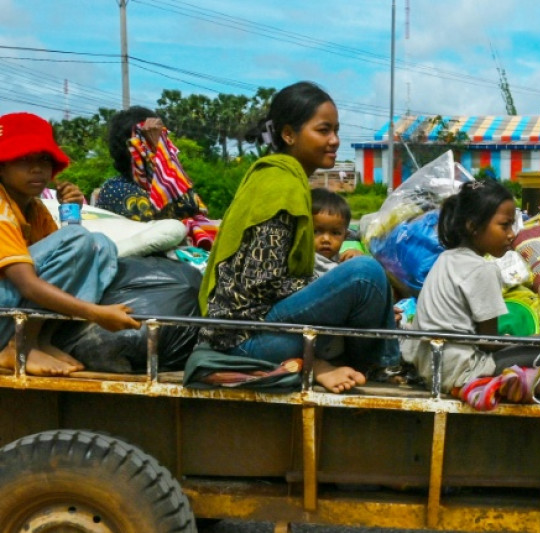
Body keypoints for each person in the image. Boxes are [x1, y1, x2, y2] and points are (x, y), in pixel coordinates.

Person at [198, 81, 399, 394]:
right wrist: (334, 287)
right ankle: (378, 366)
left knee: (360, 277)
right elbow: (262, 281)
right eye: (323, 130)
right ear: (289, 134)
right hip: (245, 339)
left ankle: (368, 362)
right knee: (365, 275)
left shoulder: (280, 177)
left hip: (255, 329)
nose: (335, 140)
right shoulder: (281, 183)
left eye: (336, 130)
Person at [401, 179, 540, 393]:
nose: (511, 234)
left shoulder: (445, 259)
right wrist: (518, 341)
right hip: (463, 372)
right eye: (504, 225)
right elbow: (488, 342)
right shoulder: (483, 269)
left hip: (432, 367)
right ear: (473, 227)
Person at [0, 112, 141, 376]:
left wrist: (72, 213)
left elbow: (68, 265)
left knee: (101, 245)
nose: (37, 168)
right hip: (7, 310)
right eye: (23, 159)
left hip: (9, 309)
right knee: (79, 239)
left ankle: (40, 340)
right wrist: (96, 313)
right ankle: (17, 345)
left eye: (44, 159)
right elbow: (28, 284)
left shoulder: (36, 209)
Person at [97, 106, 217, 249]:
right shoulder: (116, 189)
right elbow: (164, 220)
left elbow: (194, 205)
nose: (165, 149)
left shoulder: (168, 184)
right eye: (156, 142)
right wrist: (156, 154)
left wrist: (166, 165)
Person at [309, 187, 362, 275]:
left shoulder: (335, 257)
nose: (326, 239)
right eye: (316, 232)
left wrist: (355, 255)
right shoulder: (311, 261)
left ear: (345, 236)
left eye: (335, 233)